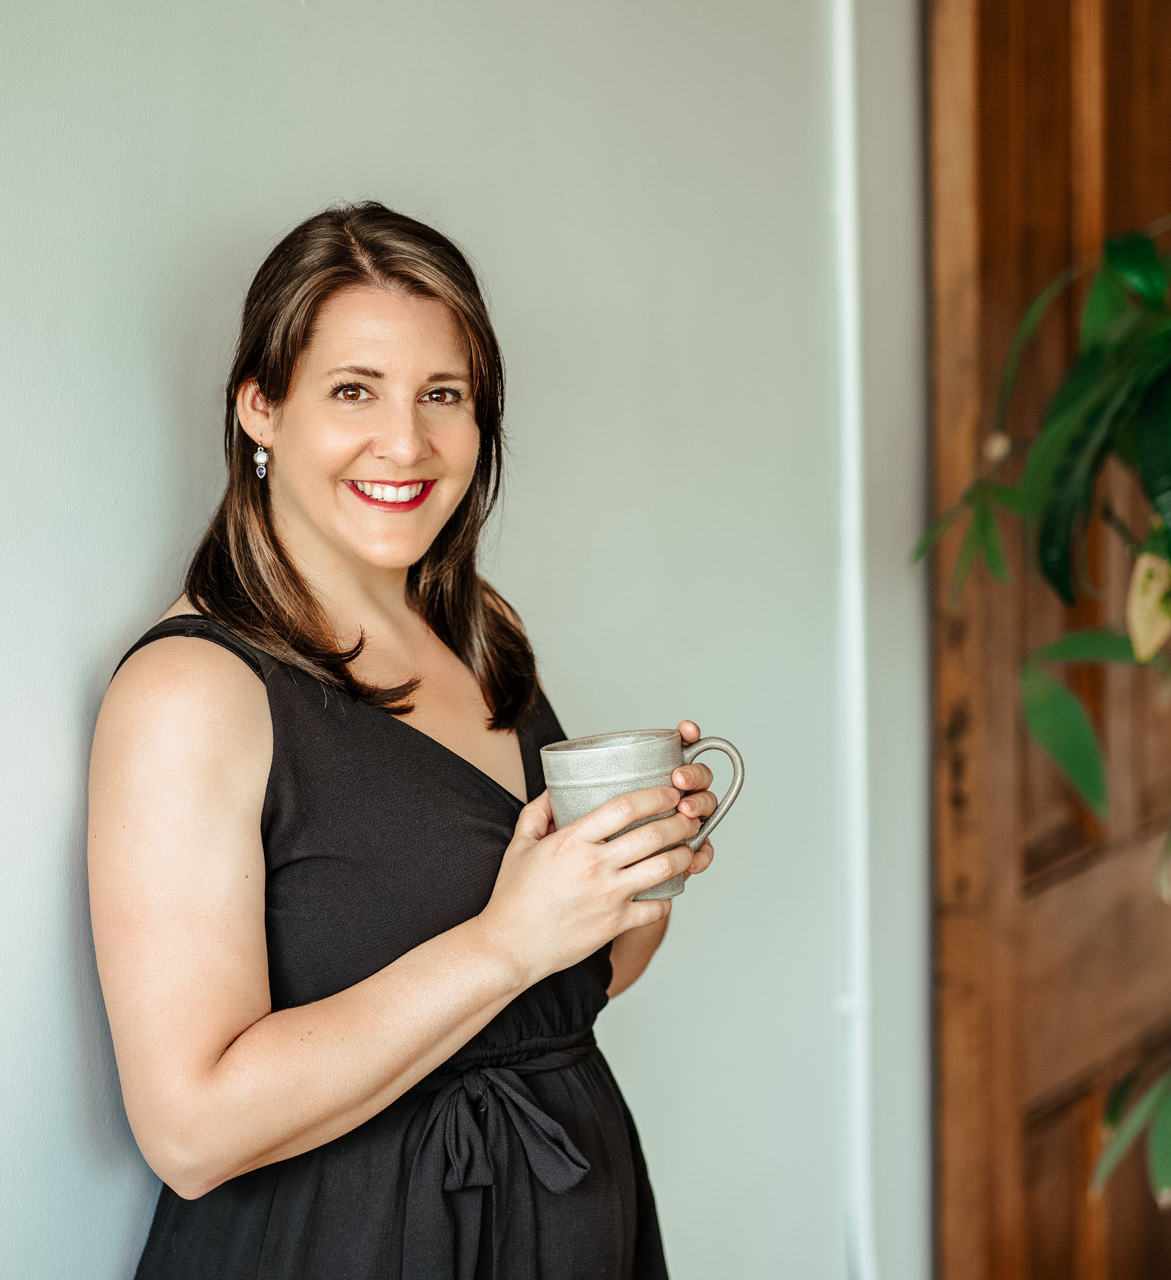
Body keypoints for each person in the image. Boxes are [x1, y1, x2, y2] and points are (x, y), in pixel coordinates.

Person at [86, 202, 719, 1280]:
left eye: (443, 394)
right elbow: (189, 1131)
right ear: (260, 406)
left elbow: (569, 991)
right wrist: (508, 940)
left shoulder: (479, 628)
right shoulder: (192, 692)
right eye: (353, 390)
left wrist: (626, 884)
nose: (407, 442)